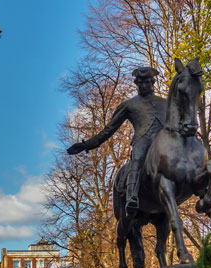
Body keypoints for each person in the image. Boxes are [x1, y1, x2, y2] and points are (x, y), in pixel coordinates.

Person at [67, 66, 167, 215]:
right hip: (143, 140)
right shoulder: (129, 105)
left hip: (165, 141)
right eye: (141, 82)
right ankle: (132, 196)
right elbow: (109, 129)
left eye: (147, 82)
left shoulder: (165, 103)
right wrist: (86, 144)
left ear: (152, 82)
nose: (144, 86)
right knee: (138, 159)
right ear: (136, 84)